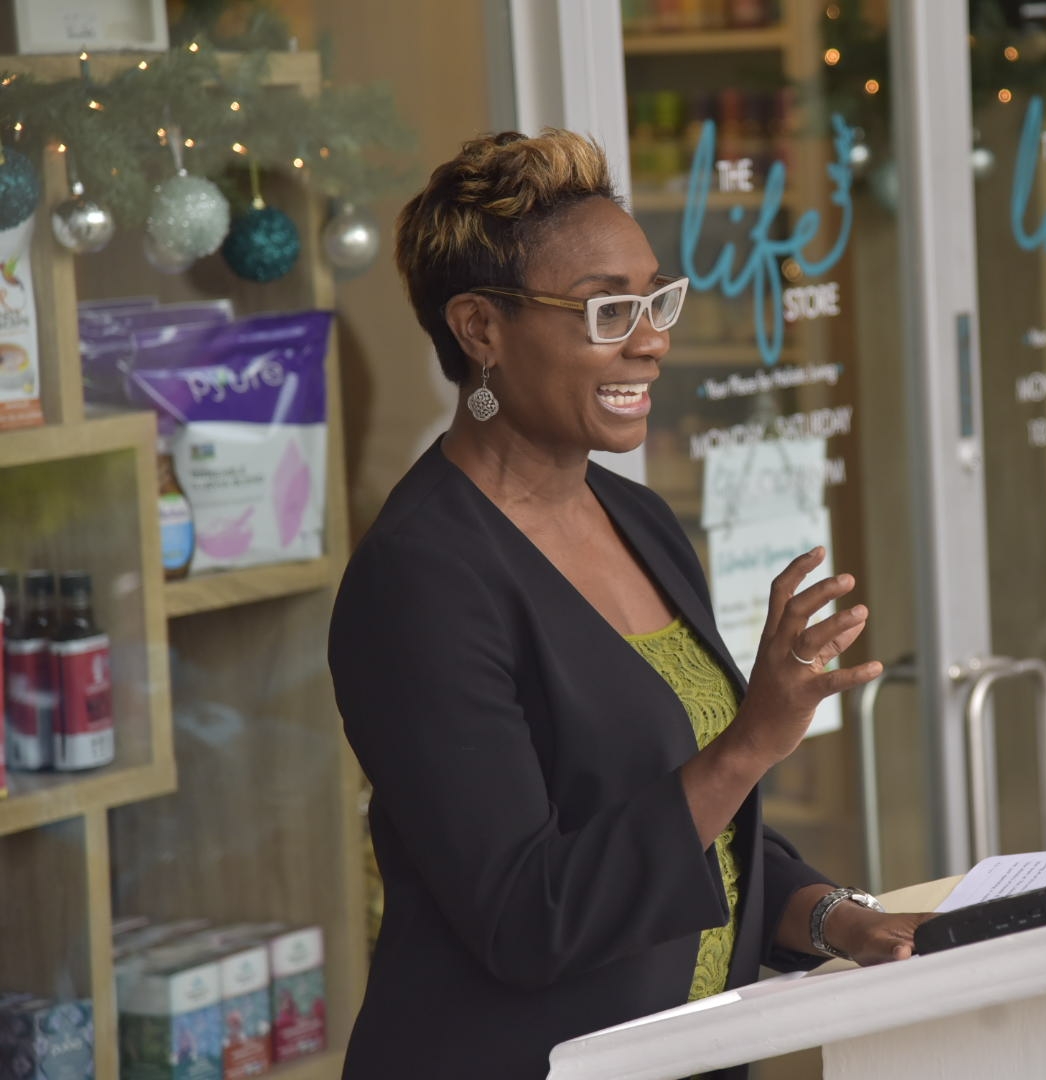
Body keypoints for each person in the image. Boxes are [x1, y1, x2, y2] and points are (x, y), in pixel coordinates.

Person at [328, 129, 929, 1079]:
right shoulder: (422, 580)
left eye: (654, 300)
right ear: (479, 329)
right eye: (607, 310)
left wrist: (834, 918)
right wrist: (751, 742)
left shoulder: (638, 518)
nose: (651, 341)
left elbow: (681, 822)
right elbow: (528, 914)